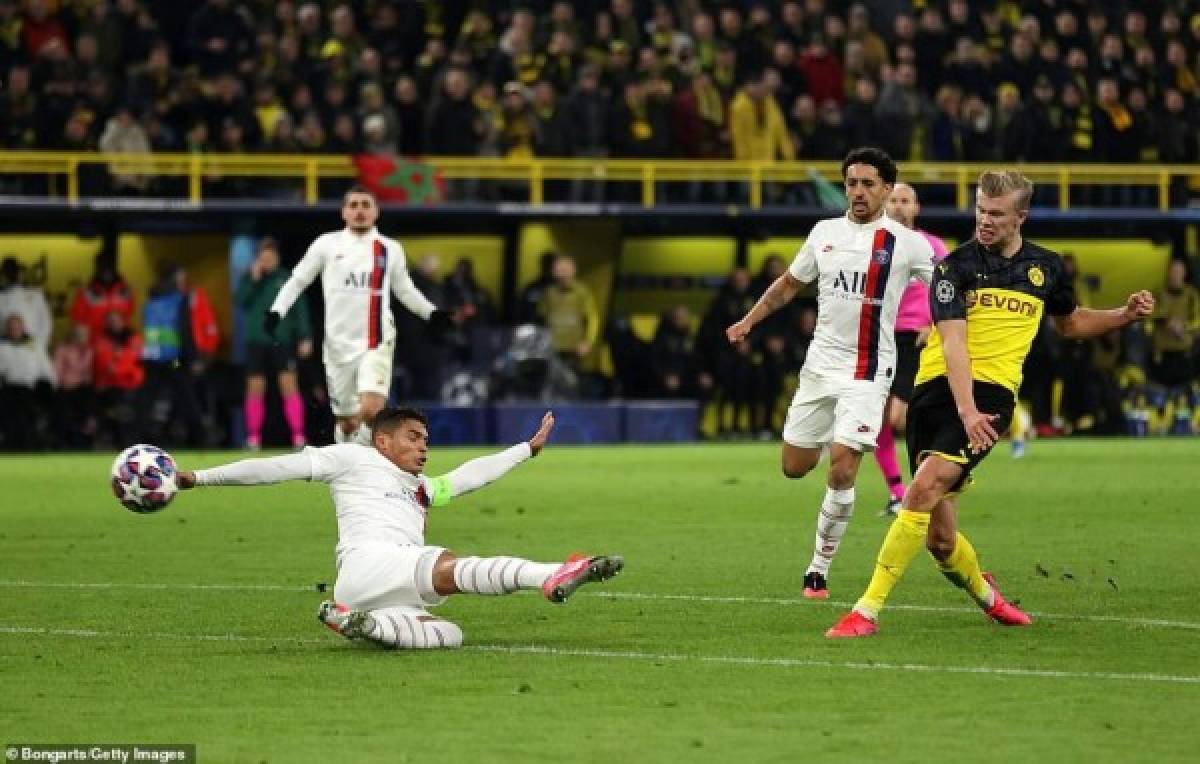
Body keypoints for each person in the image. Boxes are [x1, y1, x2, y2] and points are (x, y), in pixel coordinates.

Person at [826, 171, 1156, 638]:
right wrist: (963, 410)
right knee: (941, 540)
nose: (985, 220)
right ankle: (991, 599)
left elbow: (1071, 323)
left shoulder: (1046, 267)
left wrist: (1124, 315)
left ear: (1021, 216)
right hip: (936, 395)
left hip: (990, 397)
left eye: (996, 214)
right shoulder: (953, 268)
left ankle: (866, 611)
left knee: (921, 489)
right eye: (981, 210)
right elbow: (953, 343)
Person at [175, 407, 624, 650]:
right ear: (383, 440)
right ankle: (550, 574)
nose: (424, 447)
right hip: (371, 561)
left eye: (426, 439)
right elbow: (275, 468)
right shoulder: (352, 459)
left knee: (449, 635)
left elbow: (470, 475)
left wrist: (525, 450)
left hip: (376, 589)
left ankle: (364, 624)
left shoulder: (422, 488)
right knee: (447, 566)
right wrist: (200, 477)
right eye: (413, 437)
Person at [725, 147, 935, 600]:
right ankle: (836, 438)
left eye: (868, 184)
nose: (858, 191)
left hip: (869, 372)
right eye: (852, 183)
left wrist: (949, 326)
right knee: (794, 467)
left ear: (886, 189)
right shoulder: (824, 232)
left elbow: (947, 289)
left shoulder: (907, 244)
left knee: (842, 468)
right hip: (820, 368)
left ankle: (818, 569)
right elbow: (789, 285)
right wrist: (748, 321)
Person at [265, 186, 452, 445]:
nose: (360, 210)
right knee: (347, 422)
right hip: (338, 345)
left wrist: (431, 313)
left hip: (376, 341)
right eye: (353, 205)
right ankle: (347, 458)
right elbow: (298, 280)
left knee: (372, 410)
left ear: (376, 212)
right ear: (344, 212)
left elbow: (405, 290)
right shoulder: (326, 245)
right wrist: (277, 311)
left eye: (366, 205)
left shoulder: (388, 249)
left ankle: (363, 463)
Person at [876, 183, 949, 516]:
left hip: (916, 341)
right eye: (893, 200)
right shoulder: (874, 245)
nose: (899, 206)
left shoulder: (932, 246)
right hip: (881, 338)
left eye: (905, 200)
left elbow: (950, 290)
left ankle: (929, 483)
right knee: (876, 421)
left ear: (916, 208)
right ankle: (898, 493)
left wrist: (934, 325)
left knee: (900, 418)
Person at [235, 237, 314, 449]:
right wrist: (254, 280)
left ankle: (298, 436)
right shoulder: (249, 278)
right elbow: (240, 301)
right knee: (255, 387)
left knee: (289, 385)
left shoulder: (287, 278)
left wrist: (305, 336)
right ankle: (253, 438)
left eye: (270, 257)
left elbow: (299, 309)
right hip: (255, 341)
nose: (267, 261)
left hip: (282, 340)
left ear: (277, 257)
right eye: (263, 257)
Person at [0, 257, 52, 352]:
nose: (10, 276)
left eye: (12, 272)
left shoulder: (35, 295)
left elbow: (46, 324)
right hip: (6, 349)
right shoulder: (1, 297)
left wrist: (38, 348)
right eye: (7, 273)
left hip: (32, 348)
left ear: (19, 274)